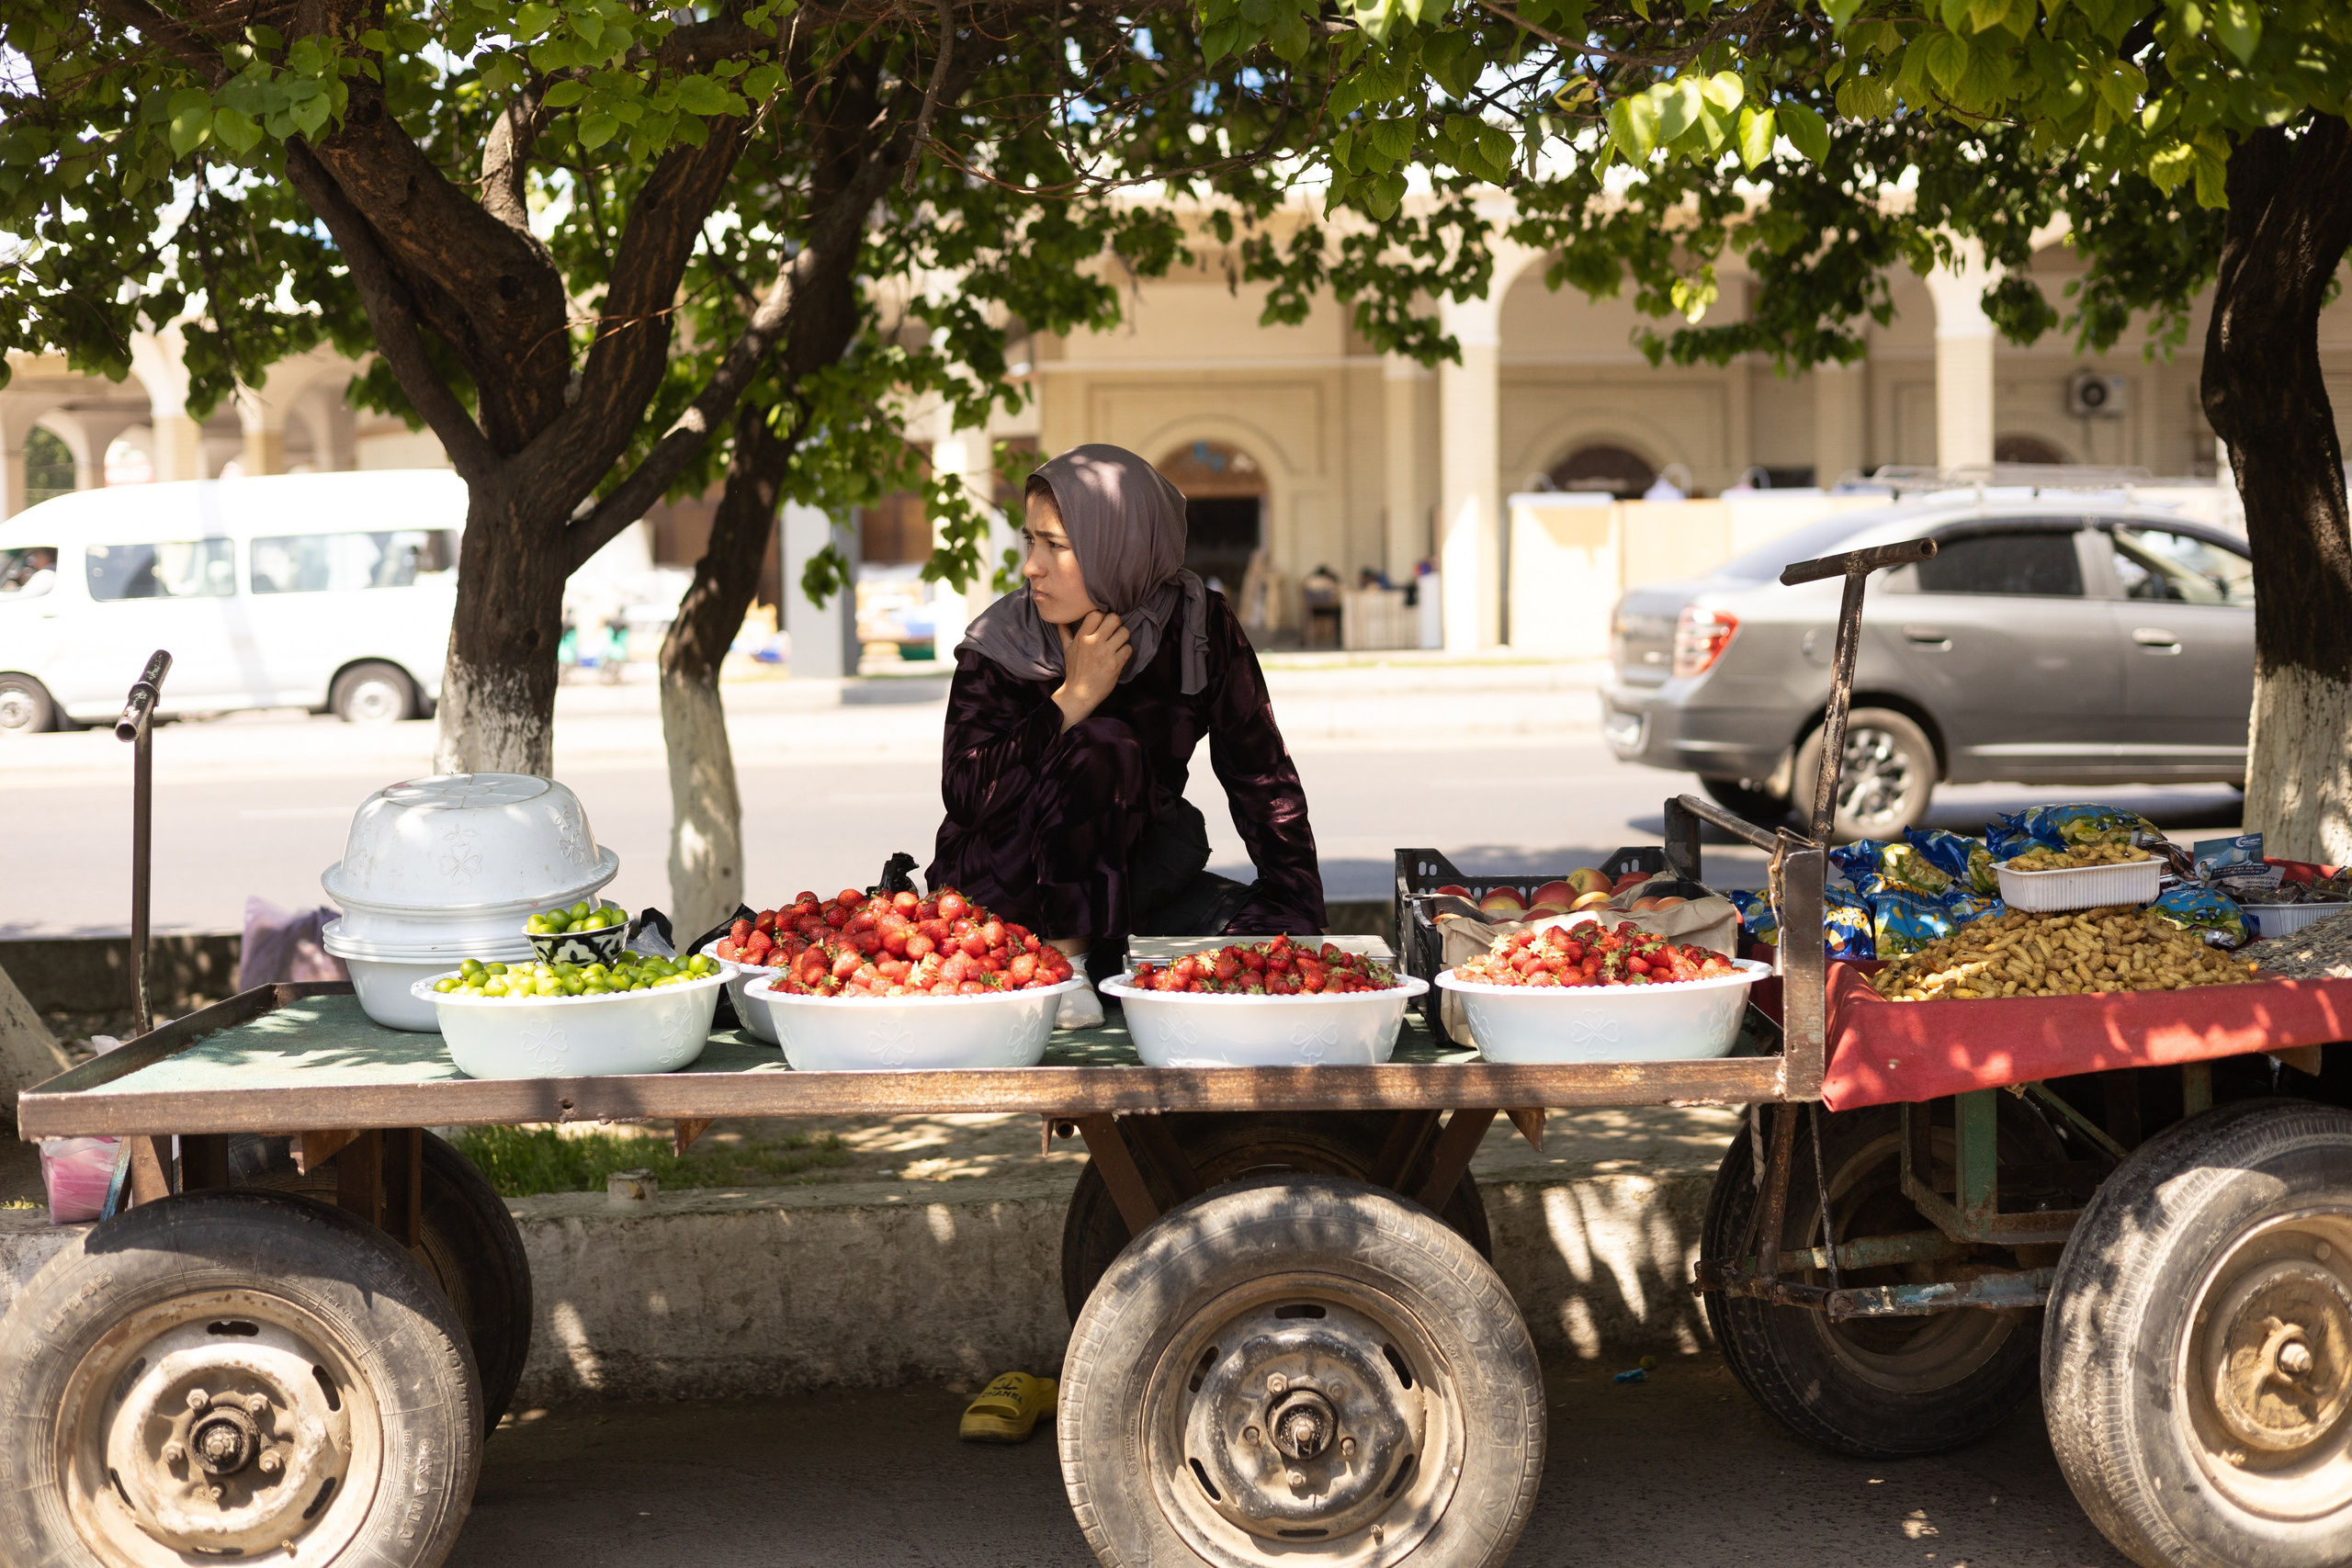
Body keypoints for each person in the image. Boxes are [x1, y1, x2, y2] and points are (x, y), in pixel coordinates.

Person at [927, 444, 1325, 1021]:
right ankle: (1064, 970)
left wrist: (1302, 913)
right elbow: (967, 794)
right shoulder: (1004, 640)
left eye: (1055, 546)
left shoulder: (1196, 625)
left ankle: (1103, 957)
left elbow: (1260, 775)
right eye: (1030, 541)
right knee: (1102, 745)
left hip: (1128, 881)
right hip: (1003, 892)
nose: (1031, 566)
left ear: (1120, 547)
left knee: (1273, 938)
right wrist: (1073, 698)